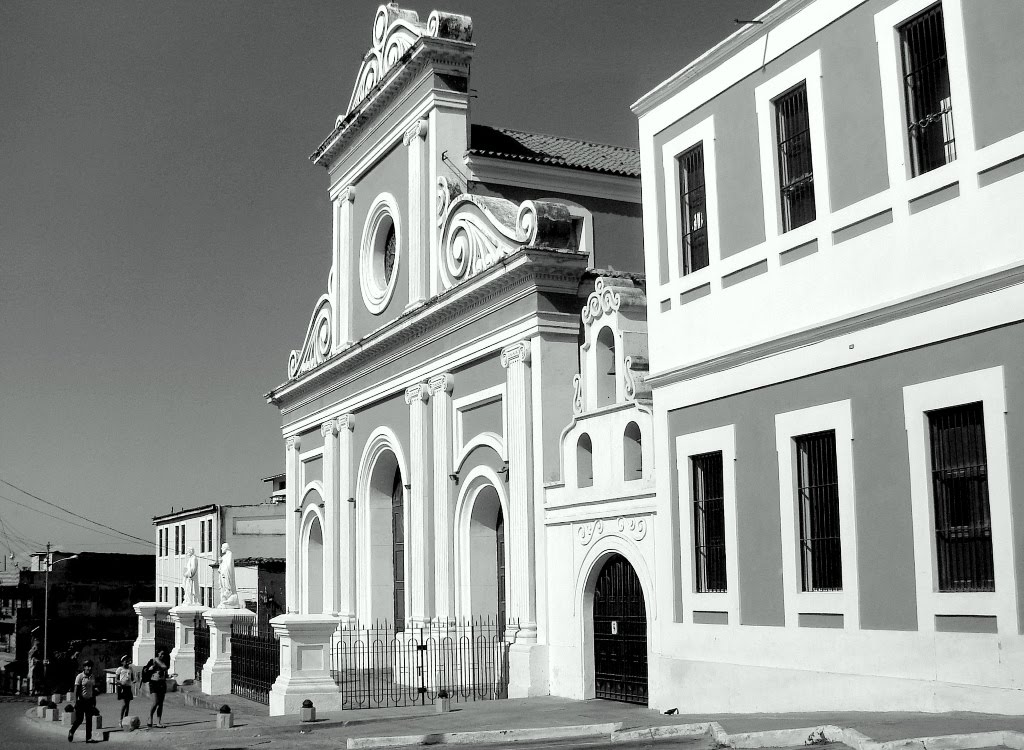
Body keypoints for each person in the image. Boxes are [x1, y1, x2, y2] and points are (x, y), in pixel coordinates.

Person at [68, 660, 96, 743]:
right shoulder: (80, 676)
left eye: (90, 666)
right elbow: (76, 690)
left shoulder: (92, 676)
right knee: (79, 719)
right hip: (81, 701)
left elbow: (93, 689)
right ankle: (71, 731)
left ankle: (88, 737)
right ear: (84, 667)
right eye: (87, 666)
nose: (89, 668)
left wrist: (94, 700)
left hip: (89, 700)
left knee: (89, 719)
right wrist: (75, 701)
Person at [145, 650, 171, 728]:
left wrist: (170, 676)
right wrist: (150, 668)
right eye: (161, 654)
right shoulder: (153, 661)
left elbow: (165, 674)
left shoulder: (165, 662)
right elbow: (146, 670)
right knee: (155, 702)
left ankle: (158, 722)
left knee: (161, 704)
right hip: (154, 683)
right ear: (158, 653)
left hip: (162, 683)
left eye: (163, 654)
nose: (162, 656)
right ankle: (150, 717)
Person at [114, 655, 135, 723]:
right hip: (122, 687)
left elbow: (132, 678)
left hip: (128, 687)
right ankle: (120, 719)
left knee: (128, 704)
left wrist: (133, 680)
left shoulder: (130, 669)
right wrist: (121, 682)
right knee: (124, 704)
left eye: (128, 661)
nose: (127, 663)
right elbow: (116, 679)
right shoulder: (120, 669)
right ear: (122, 662)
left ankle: (126, 719)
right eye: (125, 661)